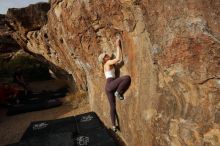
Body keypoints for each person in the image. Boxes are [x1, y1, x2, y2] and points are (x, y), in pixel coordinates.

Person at [98, 36, 131, 132]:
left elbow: (115, 59)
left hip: (108, 86)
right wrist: (118, 45)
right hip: (110, 84)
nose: (107, 55)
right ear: (104, 59)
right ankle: (118, 92)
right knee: (127, 78)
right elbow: (118, 58)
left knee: (112, 107)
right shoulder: (107, 63)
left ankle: (113, 126)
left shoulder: (107, 64)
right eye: (106, 56)